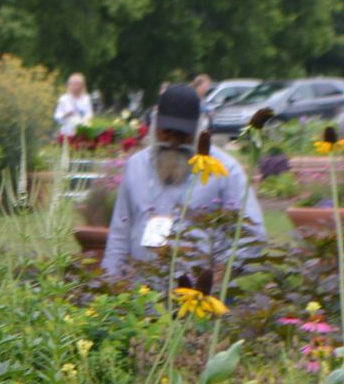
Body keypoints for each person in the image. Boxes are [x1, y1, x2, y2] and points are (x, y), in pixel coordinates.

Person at [102, 83, 264, 277]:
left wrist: (222, 271)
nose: (173, 140)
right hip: (141, 292)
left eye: (182, 134)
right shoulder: (135, 166)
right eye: (166, 131)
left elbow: (254, 234)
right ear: (154, 126)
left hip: (199, 294)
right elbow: (119, 233)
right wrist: (111, 283)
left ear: (198, 130)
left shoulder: (226, 170)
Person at [53, 73, 93, 139]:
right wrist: (65, 115)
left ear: (82, 86)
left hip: (82, 134)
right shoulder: (63, 99)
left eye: (77, 84)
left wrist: (83, 122)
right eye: (72, 84)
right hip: (67, 133)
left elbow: (90, 114)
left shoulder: (86, 99)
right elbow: (57, 116)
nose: (74, 87)